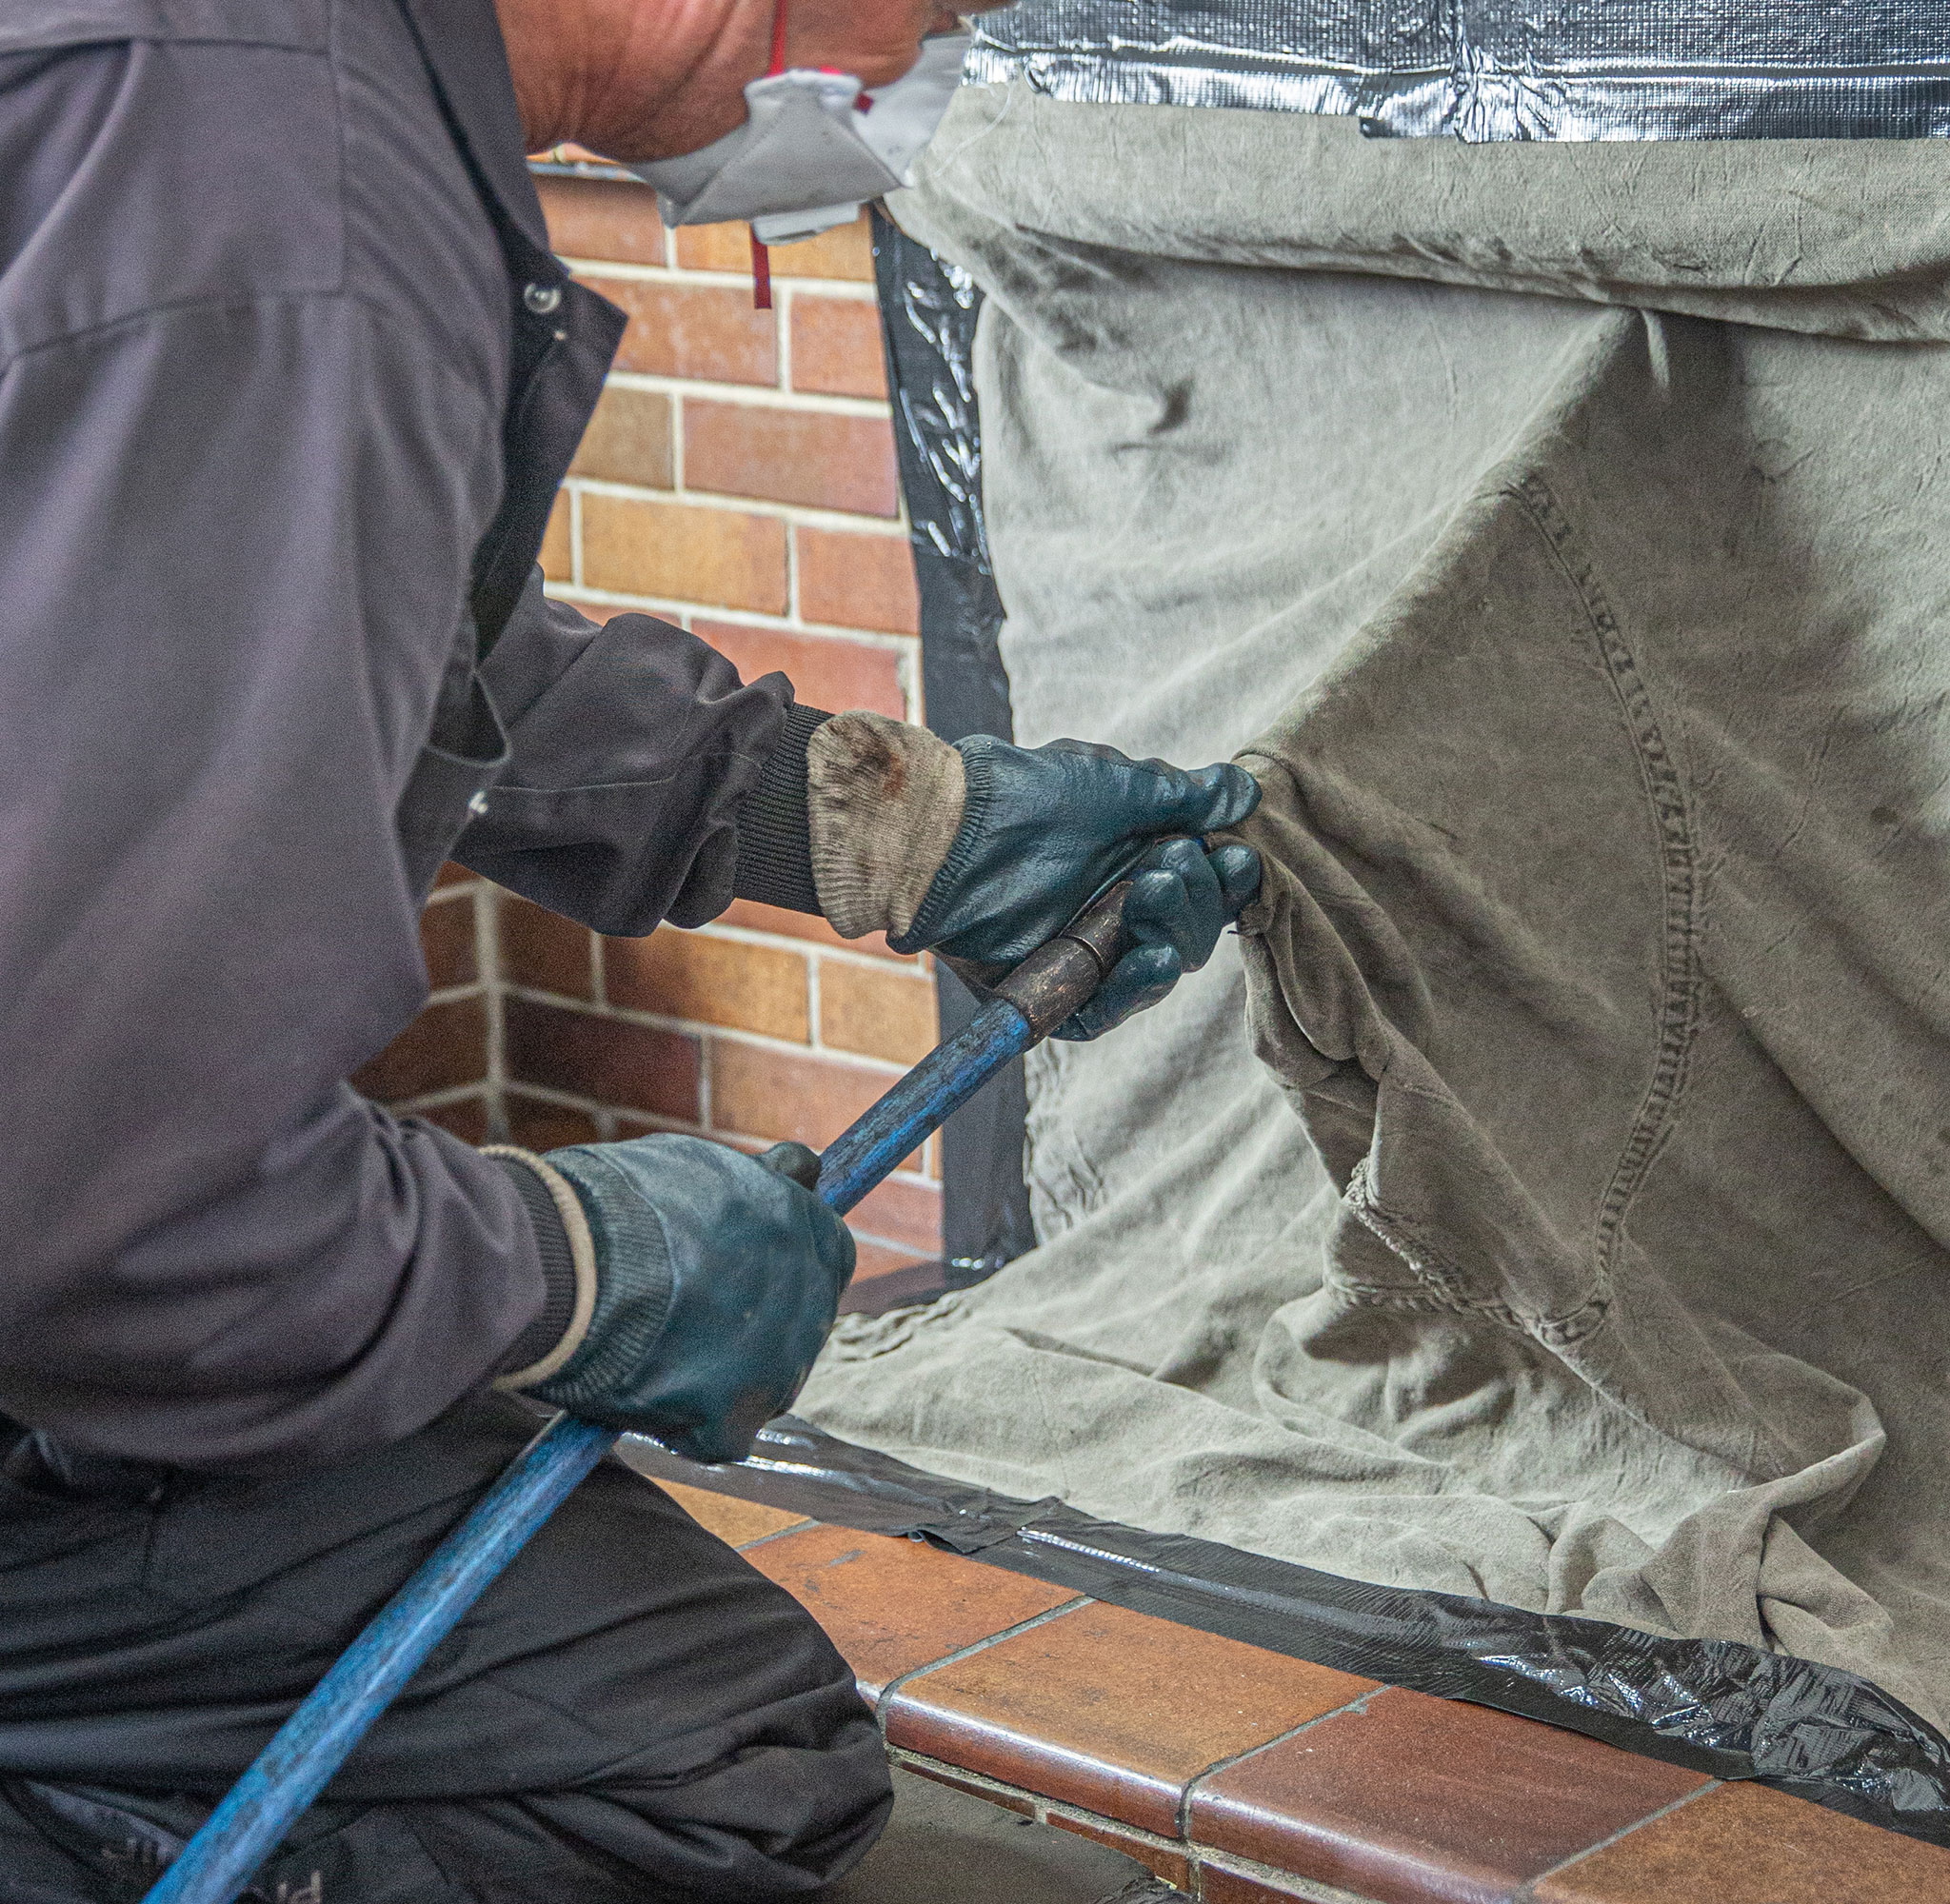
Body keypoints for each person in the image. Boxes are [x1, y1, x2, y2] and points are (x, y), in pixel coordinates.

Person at [0, 1, 1259, 1896]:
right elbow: (112, 1212)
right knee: (709, 1763)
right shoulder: (286, 205)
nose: (929, 56)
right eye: (935, 7)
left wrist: (865, 820)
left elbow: (291, 618)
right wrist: (573, 1270)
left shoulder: (220, 82)